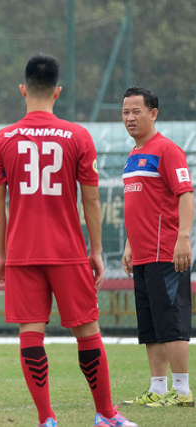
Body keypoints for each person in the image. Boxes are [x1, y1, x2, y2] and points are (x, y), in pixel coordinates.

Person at [0, 53, 137, 427]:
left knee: (31, 332)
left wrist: (1, 255)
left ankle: (47, 418)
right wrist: (97, 251)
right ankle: (105, 415)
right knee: (87, 331)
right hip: (68, 251)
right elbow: (90, 199)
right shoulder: (78, 135)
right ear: (57, 91)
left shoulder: (2, 139)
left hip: (22, 251)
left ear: (23, 90)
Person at [119, 87, 194, 408]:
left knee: (171, 323)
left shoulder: (168, 150)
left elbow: (185, 194)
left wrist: (184, 236)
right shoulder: (134, 154)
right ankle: (158, 388)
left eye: (136, 111)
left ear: (153, 113)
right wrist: (128, 244)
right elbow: (139, 206)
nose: (130, 118)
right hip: (143, 255)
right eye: (125, 112)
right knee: (150, 326)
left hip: (167, 254)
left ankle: (183, 392)